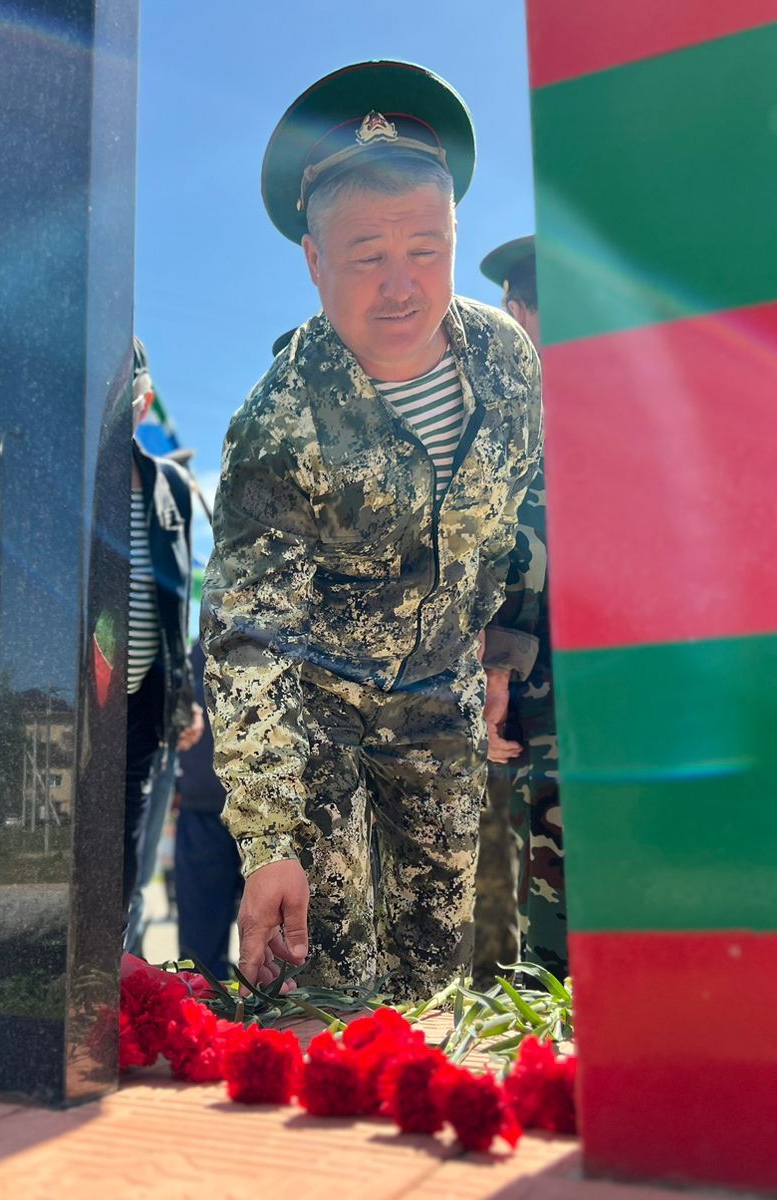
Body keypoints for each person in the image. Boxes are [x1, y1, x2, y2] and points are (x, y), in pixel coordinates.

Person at [202, 61, 542, 1001]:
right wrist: (269, 839)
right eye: (366, 257)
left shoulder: (507, 364)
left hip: (441, 706)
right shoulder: (280, 423)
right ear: (315, 261)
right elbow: (246, 631)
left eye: (425, 251)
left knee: (434, 973)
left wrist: (495, 654)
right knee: (329, 976)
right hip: (316, 715)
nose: (401, 287)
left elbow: (506, 524)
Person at [471, 235, 565, 980]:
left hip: (629, 679)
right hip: (550, 693)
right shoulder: (503, 418)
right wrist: (498, 668)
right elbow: (506, 550)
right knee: (548, 886)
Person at [123, 337, 200, 939]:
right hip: (73, 702)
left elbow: (176, 606)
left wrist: (183, 693)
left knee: (130, 846)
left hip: (143, 702)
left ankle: (114, 967)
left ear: (143, 404)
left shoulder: (169, 486)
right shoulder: (62, 477)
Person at [174, 643, 244, 977]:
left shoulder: (281, 626)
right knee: (199, 955)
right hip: (202, 810)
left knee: (277, 950)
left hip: (272, 818)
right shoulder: (195, 651)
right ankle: (205, 1022)